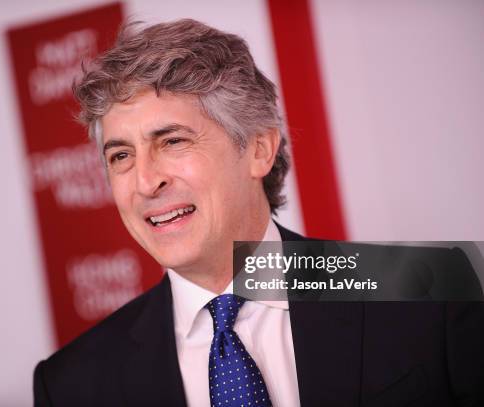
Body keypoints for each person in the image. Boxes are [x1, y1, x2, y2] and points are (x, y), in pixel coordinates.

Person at [33, 19, 484, 407]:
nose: (146, 182)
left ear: (259, 149)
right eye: (121, 157)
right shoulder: (73, 385)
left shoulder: (427, 291)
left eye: (172, 141)